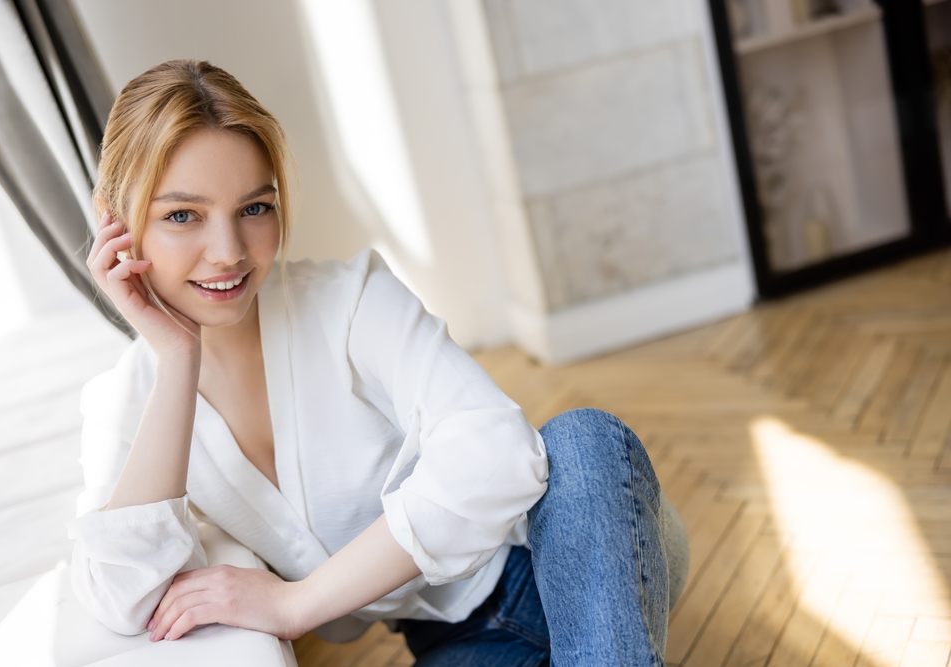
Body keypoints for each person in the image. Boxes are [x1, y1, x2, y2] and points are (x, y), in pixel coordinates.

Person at [70, 59, 689, 666]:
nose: (229, 252)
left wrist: (297, 605)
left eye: (255, 207)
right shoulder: (123, 402)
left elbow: (500, 454)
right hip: (461, 640)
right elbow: (120, 596)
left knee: (581, 441)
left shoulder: (350, 299)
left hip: (577, 562)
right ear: (115, 222)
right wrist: (177, 358)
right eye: (183, 216)